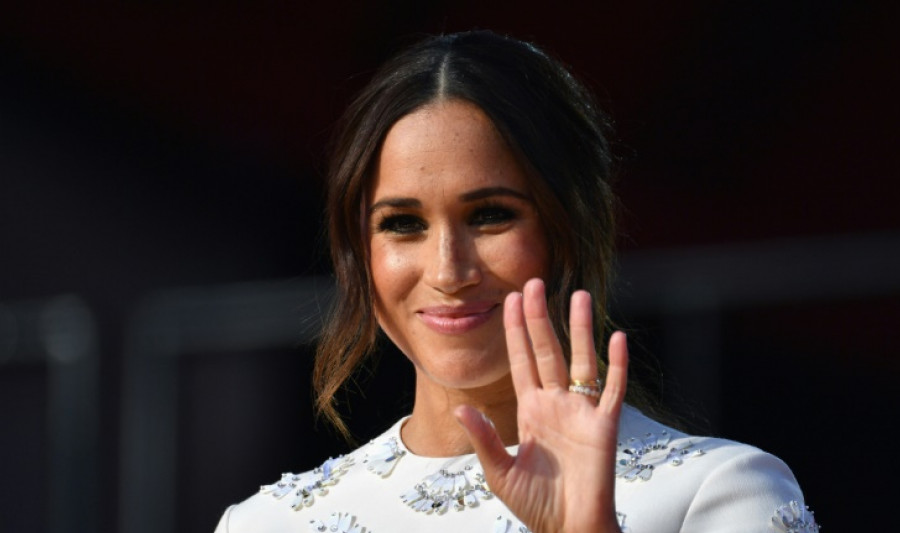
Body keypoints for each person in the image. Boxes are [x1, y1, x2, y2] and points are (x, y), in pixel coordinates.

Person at [215, 30, 818, 533]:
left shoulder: (718, 495)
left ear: (568, 231)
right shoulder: (265, 524)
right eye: (403, 224)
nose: (448, 271)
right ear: (358, 253)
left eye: (490, 216)